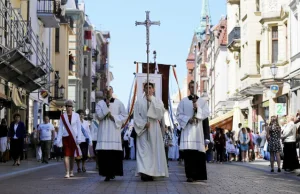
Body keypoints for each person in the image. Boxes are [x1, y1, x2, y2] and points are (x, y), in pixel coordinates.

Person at [176, 80, 210, 182]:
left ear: (197, 88)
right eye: (191, 87)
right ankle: (190, 175)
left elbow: (205, 114)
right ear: (189, 88)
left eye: (194, 87)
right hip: (188, 131)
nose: (192, 89)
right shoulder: (183, 101)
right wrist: (188, 119)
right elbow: (178, 115)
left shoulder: (202, 102)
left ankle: (198, 175)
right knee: (189, 155)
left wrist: (197, 108)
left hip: (198, 131)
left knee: (198, 154)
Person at [134, 82, 169, 181]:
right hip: (144, 129)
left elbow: (160, 114)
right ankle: (144, 172)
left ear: (153, 89)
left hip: (154, 128)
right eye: (146, 88)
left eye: (150, 88)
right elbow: (136, 117)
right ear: (143, 90)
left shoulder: (157, 101)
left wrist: (152, 101)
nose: (148, 90)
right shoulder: (139, 102)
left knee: (153, 151)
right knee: (144, 151)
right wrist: (143, 124)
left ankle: (152, 172)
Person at [95, 86, 127, 181]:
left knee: (113, 154)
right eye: (106, 90)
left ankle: (113, 172)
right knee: (104, 154)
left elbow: (124, 115)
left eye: (109, 90)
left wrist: (115, 118)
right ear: (104, 92)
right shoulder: (100, 103)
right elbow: (99, 116)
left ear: (112, 91)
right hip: (104, 132)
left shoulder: (119, 103)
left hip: (114, 131)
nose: (108, 92)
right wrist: (106, 106)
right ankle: (106, 174)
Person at [56, 100, 82, 178]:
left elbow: (79, 128)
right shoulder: (62, 116)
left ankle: (71, 170)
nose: (68, 107)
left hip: (74, 137)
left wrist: (79, 138)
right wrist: (58, 140)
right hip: (66, 137)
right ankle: (67, 172)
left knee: (72, 156)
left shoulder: (76, 115)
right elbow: (60, 128)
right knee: (66, 155)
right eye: (67, 106)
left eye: (69, 106)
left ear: (72, 107)